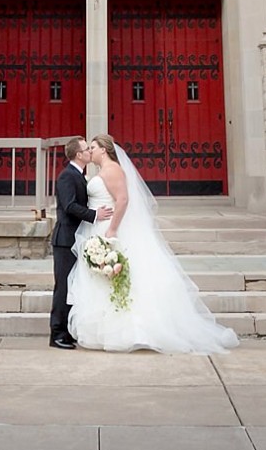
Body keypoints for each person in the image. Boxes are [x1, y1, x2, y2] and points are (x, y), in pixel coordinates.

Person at [67, 134, 239, 353]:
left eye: (93, 147)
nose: (90, 151)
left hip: (108, 227)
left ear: (104, 149)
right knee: (105, 279)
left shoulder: (112, 170)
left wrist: (112, 229)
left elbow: (123, 199)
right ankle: (103, 330)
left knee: (118, 276)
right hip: (97, 226)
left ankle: (130, 331)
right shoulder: (101, 171)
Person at [49, 136, 110, 349]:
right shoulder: (67, 176)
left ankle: (66, 330)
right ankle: (56, 333)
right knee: (63, 287)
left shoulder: (79, 175)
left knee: (73, 286)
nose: (89, 152)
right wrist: (94, 215)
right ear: (78, 154)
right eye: (86, 149)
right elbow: (69, 206)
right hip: (65, 240)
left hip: (77, 239)